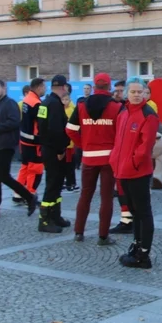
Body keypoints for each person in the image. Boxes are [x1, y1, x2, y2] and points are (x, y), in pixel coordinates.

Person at [110, 77, 160, 269]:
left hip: (138, 171)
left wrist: (131, 163)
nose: (137, 95)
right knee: (133, 211)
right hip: (122, 170)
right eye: (133, 92)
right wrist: (115, 160)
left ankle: (144, 254)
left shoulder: (148, 115)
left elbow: (144, 146)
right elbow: (118, 141)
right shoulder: (123, 112)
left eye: (140, 92)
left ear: (145, 93)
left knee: (143, 212)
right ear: (126, 94)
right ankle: (137, 245)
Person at [67, 73, 121, 245]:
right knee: (106, 198)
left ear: (94, 85)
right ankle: (103, 236)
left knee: (85, 194)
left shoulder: (82, 105)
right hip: (109, 159)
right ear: (109, 86)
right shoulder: (116, 107)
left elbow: (70, 129)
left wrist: (83, 144)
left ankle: (78, 232)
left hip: (88, 157)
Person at [0, 80, 37, 218]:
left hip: (4, 146)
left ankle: (29, 197)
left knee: (4, 176)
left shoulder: (9, 103)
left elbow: (14, 122)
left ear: (4, 88)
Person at [37, 75, 71, 233]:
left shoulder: (46, 103)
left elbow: (42, 127)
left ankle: (55, 216)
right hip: (54, 150)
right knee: (52, 184)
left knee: (56, 183)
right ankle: (44, 220)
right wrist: (60, 150)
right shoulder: (55, 104)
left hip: (47, 147)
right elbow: (56, 130)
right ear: (64, 87)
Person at [12, 78, 46, 205]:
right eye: (43, 87)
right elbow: (41, 123)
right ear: (38, 87)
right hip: (34, 141)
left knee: (25, 167)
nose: (45, 89)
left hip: (24, 140)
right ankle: (30, 194)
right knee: (36, 169)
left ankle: (17, 194)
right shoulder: (37, 104)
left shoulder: (26, 100)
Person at [110, 80, 134, 234]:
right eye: (116, 91)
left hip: (129, 157)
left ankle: (130, 221)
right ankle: (126, 220)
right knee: (121, 190)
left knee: (128, 191)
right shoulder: (119, 109)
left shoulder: (128, 109)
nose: (117, 94)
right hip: (118, 155)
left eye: (120, 91)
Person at [61, 86, 79, 192]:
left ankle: (71, 182)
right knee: (63, 164)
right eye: (63, 100)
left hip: (70, 143)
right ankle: (66, 181)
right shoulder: (59, 110)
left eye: (66, 99)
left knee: (69, 164)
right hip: (62, 143)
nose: (65, 102)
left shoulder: (71, 110)